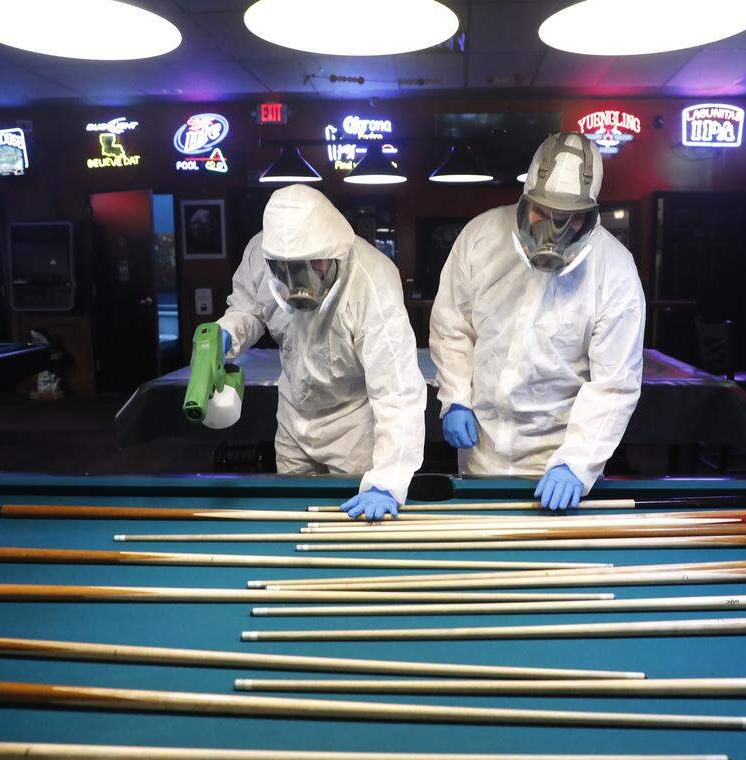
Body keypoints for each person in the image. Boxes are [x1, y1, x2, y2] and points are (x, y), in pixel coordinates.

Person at [430, 131, 645, 510]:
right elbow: (453, 326)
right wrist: (456, 398)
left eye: (569, 219)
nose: (553, 229)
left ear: (589, 214)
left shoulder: (615, 269)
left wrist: (577, 464)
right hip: (481, 443)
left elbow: (613, 386)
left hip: (558, 452)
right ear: (525, 197)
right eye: (542, 213)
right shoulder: (480, 237)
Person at [216, 184, 426, 520]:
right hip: (293, 417)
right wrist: (227, 334)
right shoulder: (261, 254)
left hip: (352, 427)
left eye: (310, 266)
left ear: (333, 254)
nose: (298, 281)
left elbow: (396, 391)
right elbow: (250, 308)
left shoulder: (372, 280)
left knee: (352, 527)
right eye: (286, 269)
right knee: (294, 518)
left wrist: (388, 478)